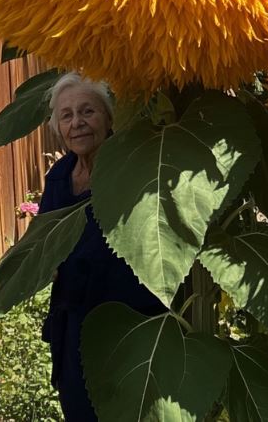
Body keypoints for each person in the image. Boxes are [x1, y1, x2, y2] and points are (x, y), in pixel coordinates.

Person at [39, 72, 163, 421]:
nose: (77, 123)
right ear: (58, 126)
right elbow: (45, 243)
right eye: (67, 115)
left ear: (110, 118)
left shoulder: (133, 171)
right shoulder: (59, 177)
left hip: (128, 325)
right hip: (73, 325)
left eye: (88, 111)